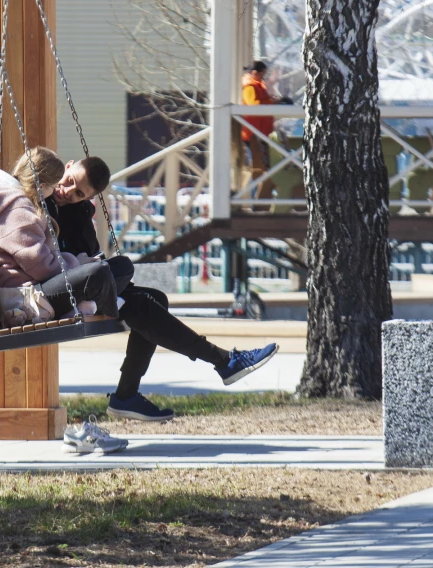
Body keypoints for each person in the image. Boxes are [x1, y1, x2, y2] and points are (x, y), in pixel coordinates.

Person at [28, 151, 279, 422]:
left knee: (151, 294)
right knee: (133, 291)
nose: (66, 191)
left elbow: (88, 257)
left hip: (80, 286)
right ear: (67, 166)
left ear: (87, 198)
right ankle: (222, 361)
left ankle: (131, 393)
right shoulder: (39, 201)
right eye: (68, 181)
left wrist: (80, 215)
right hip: (49, 293)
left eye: (78, 193)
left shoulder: (77, 213)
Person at [241, 61, 289, 211]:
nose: (264, 76)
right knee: (258, 169)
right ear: (255, 72)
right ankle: (256, 203)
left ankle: (260, 201)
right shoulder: (249, 86)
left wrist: (270, 101)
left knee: (263, 168)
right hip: (254, 133)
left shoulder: (256, 84)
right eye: (262, 73)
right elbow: (254, 105)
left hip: (260, 132)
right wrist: (272, 102)